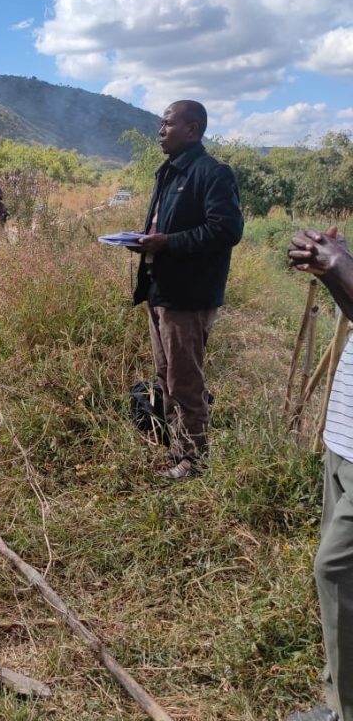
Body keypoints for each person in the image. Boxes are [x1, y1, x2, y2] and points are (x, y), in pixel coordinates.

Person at [134, 100, 243, 479]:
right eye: (161, 124)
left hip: (188, 296)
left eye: (167, 124)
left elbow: (227, 230)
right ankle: (177, 451)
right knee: (165, 377)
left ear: (193, 129)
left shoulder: (212, 173)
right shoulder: (168, 172)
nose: (160, 131)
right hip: (160, 290)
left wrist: (168, 242)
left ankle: (193, 462)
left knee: (185, 381)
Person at [285, 226, 353, 721]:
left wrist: (340, 265)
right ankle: (338, 699)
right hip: (345, 438)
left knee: (337, 571)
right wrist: (329, 270)